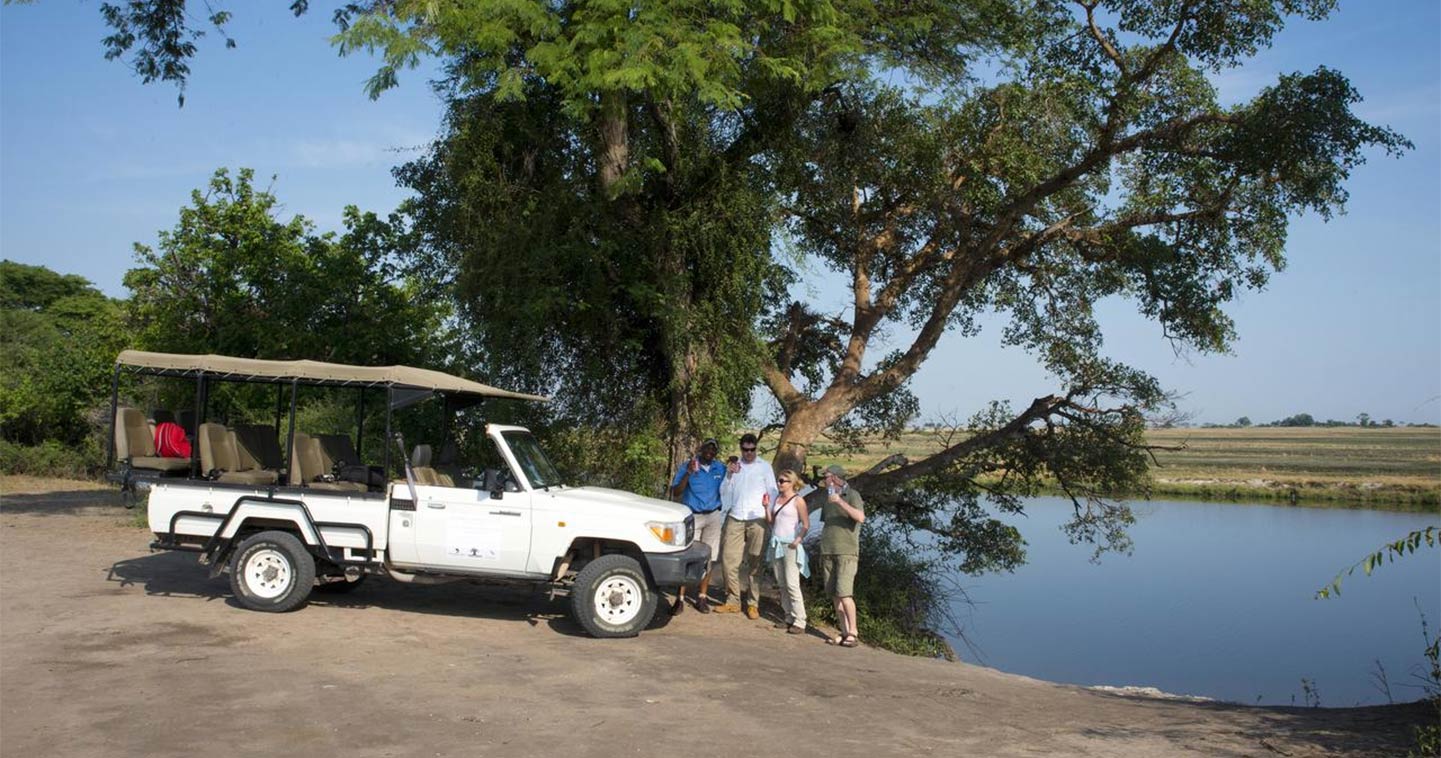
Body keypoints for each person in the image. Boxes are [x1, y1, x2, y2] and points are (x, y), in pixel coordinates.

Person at [715, 433, 777, 618]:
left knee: (755, 563)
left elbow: (773, 492)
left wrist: (769, 515)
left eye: (752, 449)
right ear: (741, 449)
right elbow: (724, 492)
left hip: (757, 519)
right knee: (728, 561)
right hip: (735, 516)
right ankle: (733, 600)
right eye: (745, 450)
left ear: (756, 448)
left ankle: (753, 603)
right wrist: (729, 474)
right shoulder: (735, 467)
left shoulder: (764, 467)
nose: (749, 453)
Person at [667, 438, 726, 614]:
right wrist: (689, 473)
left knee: (709, 558)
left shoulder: (720, 468)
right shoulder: (689, 465)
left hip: (714, 516)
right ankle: (680, 599)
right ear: (701, 449)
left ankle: (702, 597)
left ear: (716, 452)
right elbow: (676, 491)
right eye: (707, 447)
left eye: (713, 449)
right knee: (688, 557)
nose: (710, 451)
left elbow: (731, 484)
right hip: (694, 516)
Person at [809, 463, 865, 647]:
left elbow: (860, 517)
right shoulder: (827, 497)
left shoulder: (852, 495)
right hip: (828, 551)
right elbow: (827, 523)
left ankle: (853, 632)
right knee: (834, 594)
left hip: (846, 552)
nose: (824, 480)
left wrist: (840, 501)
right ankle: (843, 630)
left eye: (826, 477)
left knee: (845, 593)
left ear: (835, 477)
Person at [765, 469, 809, 634]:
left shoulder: (798, 500)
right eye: (778, 480)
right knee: (782, 583)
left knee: (792, 583)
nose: (779, 483)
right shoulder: (777, 498)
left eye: (783, 481)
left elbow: (805, 524)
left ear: (792, 482)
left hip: (790, 545)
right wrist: (766, 507)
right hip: (776, 543)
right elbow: (771, 521)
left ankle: (800, 620)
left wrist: (798, 540)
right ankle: (788, 616)